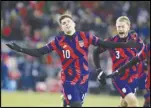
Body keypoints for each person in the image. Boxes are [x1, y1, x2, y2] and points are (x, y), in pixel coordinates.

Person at [6, 12, 139, 107]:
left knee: (72, 104)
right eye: (63, 23)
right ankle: (67, 96)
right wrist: (20, 49)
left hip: (83, 80)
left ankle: (65, 100)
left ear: (74, 23)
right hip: (68, 79)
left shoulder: (85, 36)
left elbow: (105, 44)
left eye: (68, 21)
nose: (66, 24)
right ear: (62, 27)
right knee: (76, 105)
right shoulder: (58, 41)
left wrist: (124, 45)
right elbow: (39, 52)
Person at [93, 16, 144, 107]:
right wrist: (99, 70)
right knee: (133, 103)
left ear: (128, 27)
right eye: (118, 27)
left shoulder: (134, 38)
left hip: (133, 76)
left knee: (124, 104)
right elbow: (95, 51)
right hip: (119, 77)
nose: (120, 29)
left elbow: (136, 48)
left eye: (122, 26)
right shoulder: (112, 40)